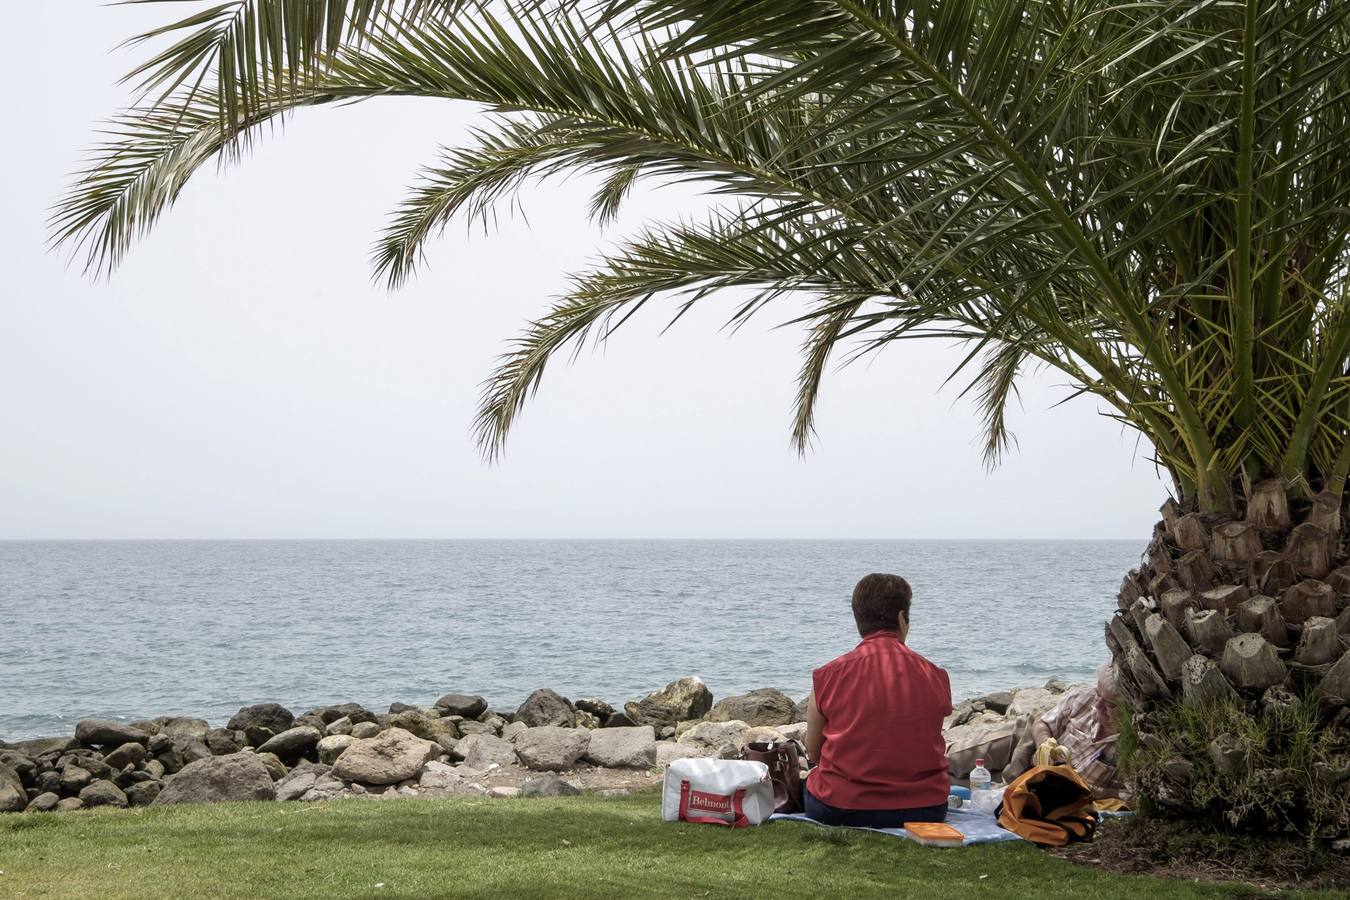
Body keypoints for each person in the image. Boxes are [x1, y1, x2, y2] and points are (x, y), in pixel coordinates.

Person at [804, 573, 953, 827]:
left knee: (808, 781)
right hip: (926, 808)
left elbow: (814, 752)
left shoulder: (829, 675)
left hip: (842, 807)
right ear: (901, 619)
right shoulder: (935, 675)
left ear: (858, 620)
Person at [1029, 663, 1124, 799]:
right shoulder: (1083, 697)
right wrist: (1044, 744)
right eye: (1098, 694)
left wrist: (1084, 789)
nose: (1097, 705)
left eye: (1110, 704)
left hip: (1072, 798)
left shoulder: (1138, 746)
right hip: (1032, 762)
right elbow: (1042, 723)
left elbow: (1134, 796)